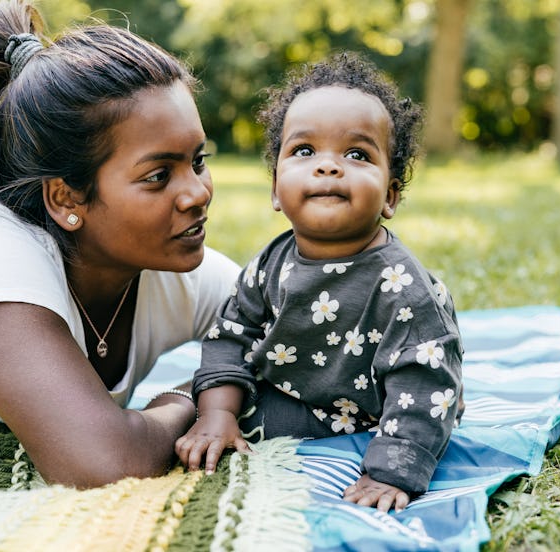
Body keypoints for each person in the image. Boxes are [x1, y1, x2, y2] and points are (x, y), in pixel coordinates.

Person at [0, 0, 240, 488]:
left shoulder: (171, 265)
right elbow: (104, 461)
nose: (197, 193)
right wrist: (196, 395)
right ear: (65, 198)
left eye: (198, 161)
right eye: (159, 175)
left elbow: (291, 332)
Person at [176, 52, 464, 512]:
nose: (328, 166)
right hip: (291, 389)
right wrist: (217, 414)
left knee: (431, 399)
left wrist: (389, 473)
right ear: (275, 188)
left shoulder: (403, 290)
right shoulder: (270, 263)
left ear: (390, 195)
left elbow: (421, 384)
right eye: (305, 151)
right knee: (195, 416)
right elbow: (231, 336)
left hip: (372, 406)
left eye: (357, 154)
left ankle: (447, 407)